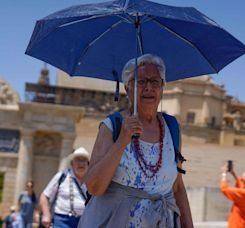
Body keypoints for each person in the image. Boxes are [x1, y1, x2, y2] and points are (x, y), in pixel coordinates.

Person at [78, 54, 193, 227]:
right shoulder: (112, 126)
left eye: (155, 81)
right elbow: (94, 187)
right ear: (128, 88)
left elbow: (177, 187)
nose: (149, 87)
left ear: (162, 88)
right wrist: (122, 140)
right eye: (141, 81)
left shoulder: (172, 127)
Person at [40, 147, 90, 228]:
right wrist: (46, 214)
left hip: (85, 221)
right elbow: (44, 196)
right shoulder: (62, 176)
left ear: (88, 163)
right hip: (62, 220)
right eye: (78, 160)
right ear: (72, 163)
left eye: (84, 160)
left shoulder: (93, 180)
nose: (81, 163)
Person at [220, 163, 245, 228]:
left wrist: (224, 174)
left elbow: (224, 189)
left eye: (243, 180)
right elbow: (242, 185)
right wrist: (233, 173)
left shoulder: (244, 194)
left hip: (237, 224)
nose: (241, 180)